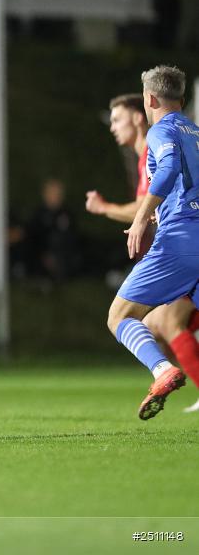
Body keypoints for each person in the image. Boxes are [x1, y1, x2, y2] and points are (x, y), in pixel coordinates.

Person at [87, 93, 199, 413]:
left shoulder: (158, 141)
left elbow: (146, 199)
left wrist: (107, 209)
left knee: (143, 319)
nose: (113, 127)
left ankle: (163, 371)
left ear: (140, 114)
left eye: (117, 119)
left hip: (181, 246)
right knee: (156, 326)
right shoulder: (184, 136)